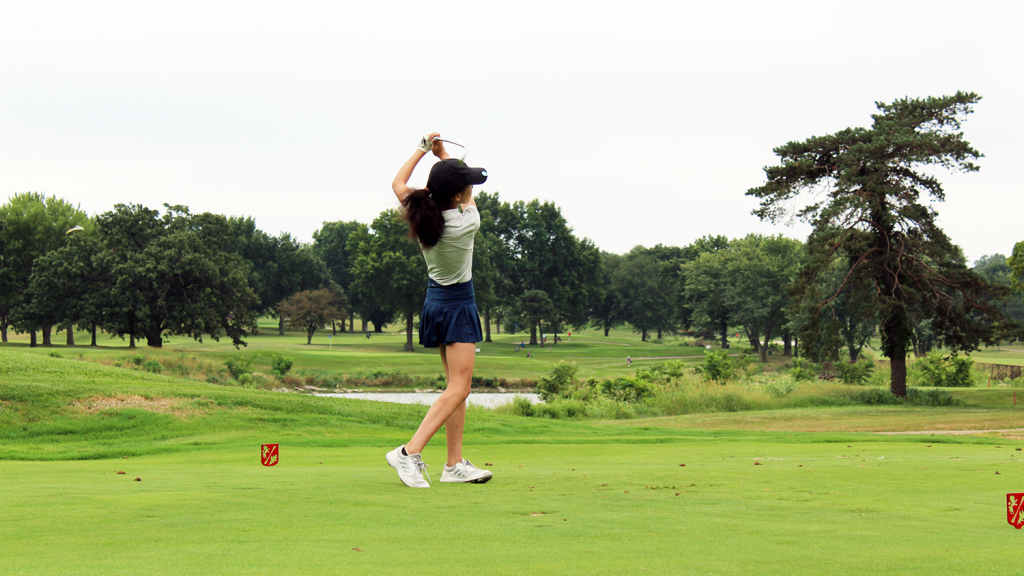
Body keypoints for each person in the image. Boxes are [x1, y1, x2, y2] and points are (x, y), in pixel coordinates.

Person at [384, 133, 492, 488]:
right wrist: (442, 154)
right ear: (459, 195)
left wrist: (422, 147)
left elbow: (398, 183)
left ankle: (454, 464)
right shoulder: (466, 223)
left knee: (455, 388)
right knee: (460, 388)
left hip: (435, 302)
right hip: (459, 305)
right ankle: (407, 453)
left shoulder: (419, 210)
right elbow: (466, 196)